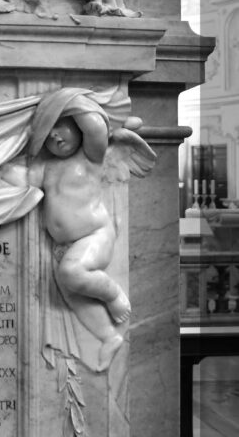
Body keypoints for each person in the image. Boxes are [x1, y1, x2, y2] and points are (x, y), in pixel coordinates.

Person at [26, 89, 151, 371]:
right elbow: (18, 180)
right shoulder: (45, 167)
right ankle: (108, 336)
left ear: (76, 124)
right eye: (47, 133)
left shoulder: (90, 157)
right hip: (63, 248)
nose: (54, 136)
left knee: (72, 273)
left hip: (95, 236)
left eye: (59, 126)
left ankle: (113, 294)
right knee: (75, 297)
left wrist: (64, 102)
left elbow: (95, 125)